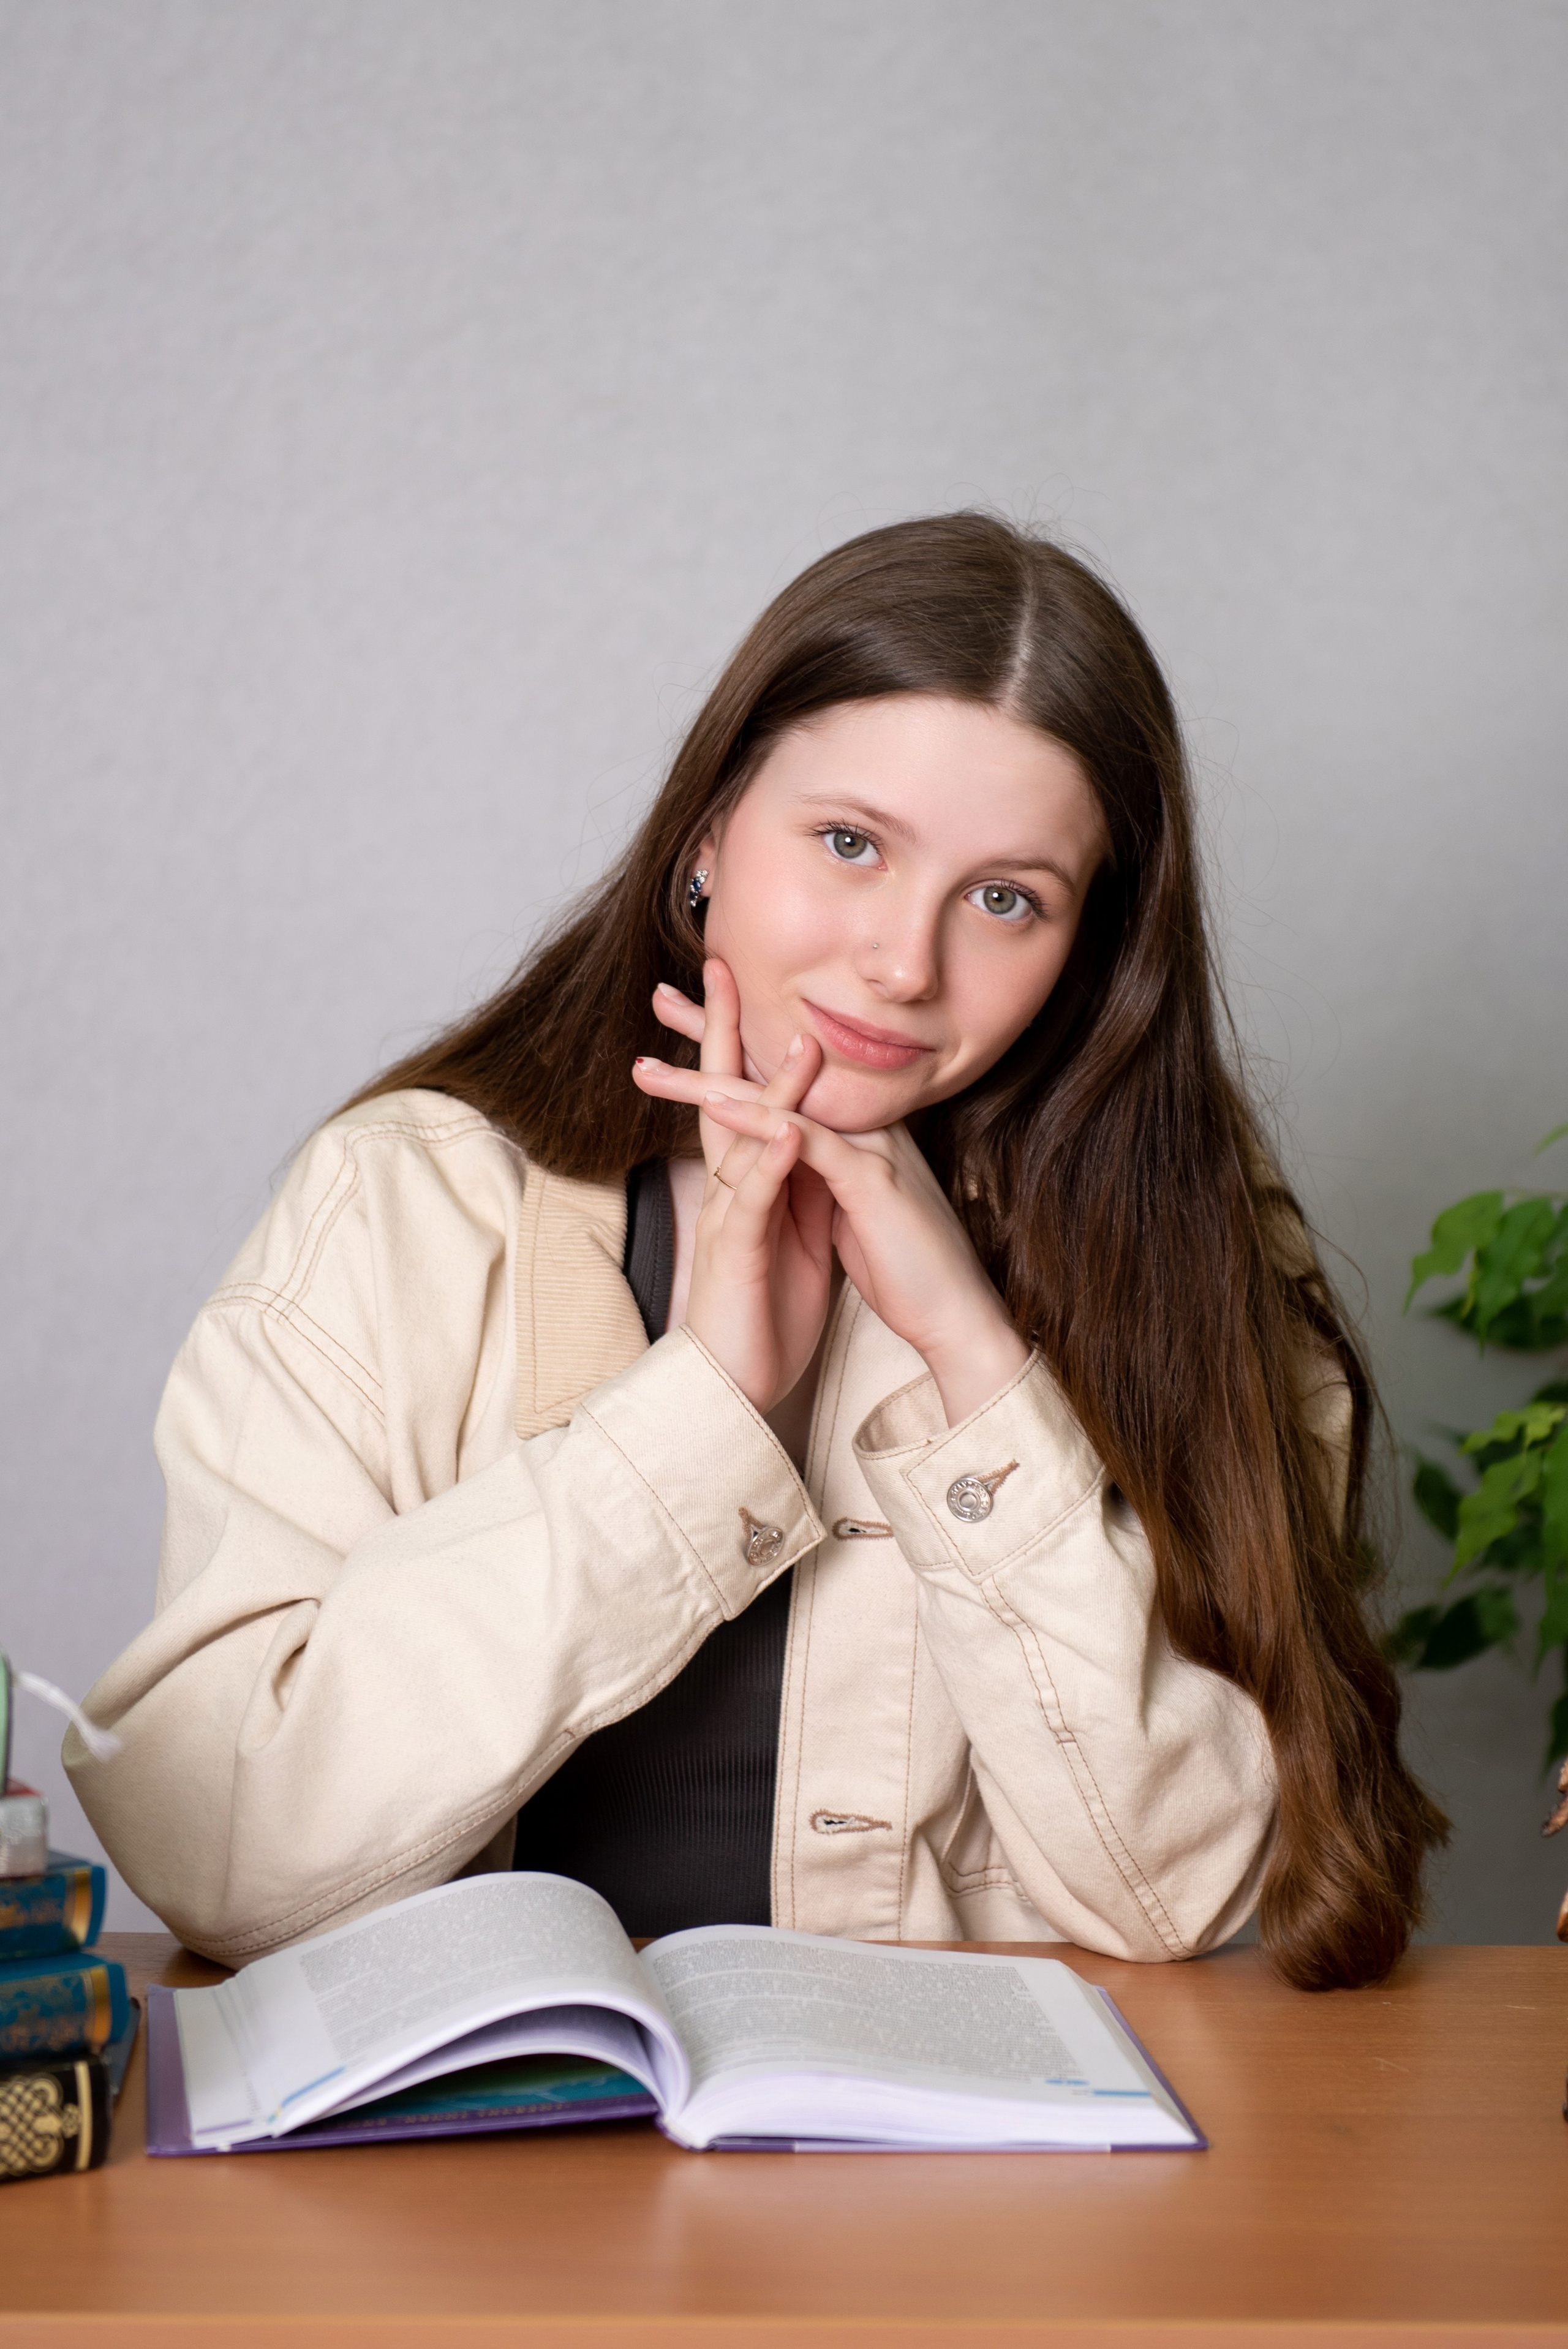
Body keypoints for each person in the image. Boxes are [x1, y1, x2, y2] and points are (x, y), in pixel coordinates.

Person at [67, 513, 1445, 1991]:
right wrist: (698, 1410)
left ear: (1090, 948)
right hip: (460, 2176)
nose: (903, 963)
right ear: (708, 833)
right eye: (848, 843)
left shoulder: (1183, 1249)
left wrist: (977, 1366)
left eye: (1004, 899)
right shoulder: (411, 1200)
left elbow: (1174, 1895)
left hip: (951, 2190)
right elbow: (212, 1849)